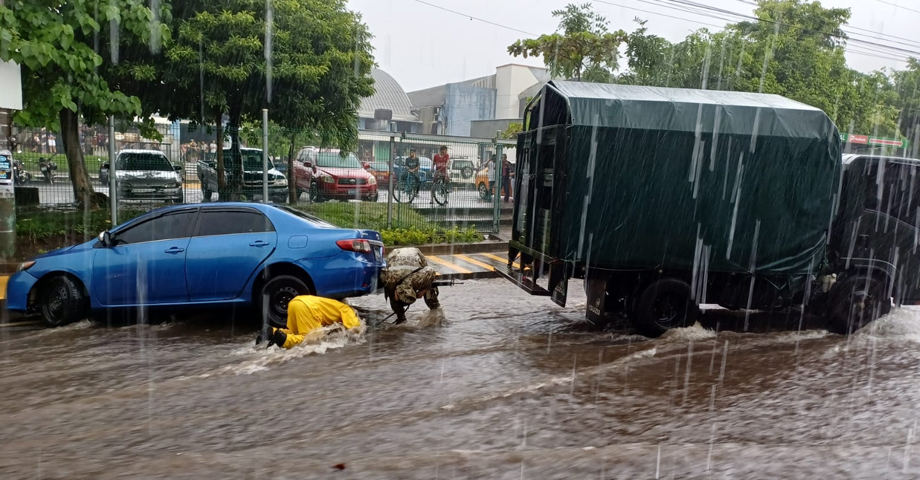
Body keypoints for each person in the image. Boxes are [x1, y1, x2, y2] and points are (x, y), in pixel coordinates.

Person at [258, 295, 362, 349]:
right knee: (311, 339)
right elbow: (354, 328)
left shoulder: (336, 305)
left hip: (295, 302)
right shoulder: (347, 310)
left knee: (295, 332)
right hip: (308, 307)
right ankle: (284, 340)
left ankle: (271, 331)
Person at [380, 247, 440, 324]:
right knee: (392, 296)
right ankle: (401, 318)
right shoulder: (389, 279)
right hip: (397, 255)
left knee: (430, 284)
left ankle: (435, 311)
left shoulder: (420, 277)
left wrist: (424, 290)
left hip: (412, 261)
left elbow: (430, 272)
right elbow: (384, 272)